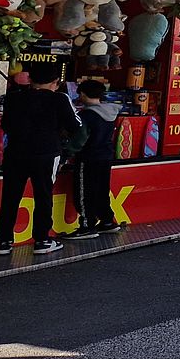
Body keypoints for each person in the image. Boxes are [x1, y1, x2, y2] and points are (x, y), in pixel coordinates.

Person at [0, 63, 83, 256]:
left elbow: (6, 125)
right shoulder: (60, 98)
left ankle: (3, 241)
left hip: (15, 153)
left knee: (10, 197)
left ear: (30, 79)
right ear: (55, 82)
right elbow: (76, 125)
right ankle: (42, 240)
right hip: (46, 153)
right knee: (43, 196)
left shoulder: (13, 97)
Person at [64, 79, 122, 240]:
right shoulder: (111, 112)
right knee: (102, 189)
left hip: (89, 157)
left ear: (82, 94)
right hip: (105, 156)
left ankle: (86, 225)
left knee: (84, 192)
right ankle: (107, 220)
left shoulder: (87, 115)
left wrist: (66, 153)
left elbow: (79, 140)